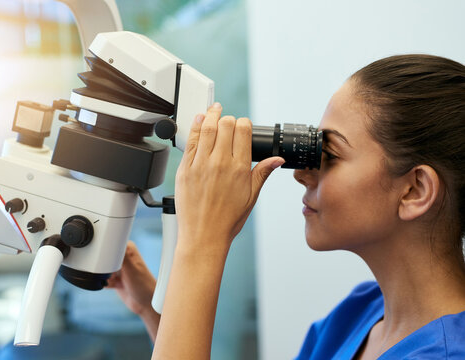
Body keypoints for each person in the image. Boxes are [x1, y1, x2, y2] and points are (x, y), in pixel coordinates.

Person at [106, 54, 465, 359]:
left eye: (331, 155)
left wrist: (203, 243)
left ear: (414, 190)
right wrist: (155, 311)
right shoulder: (363, 311)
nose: (302, 175)